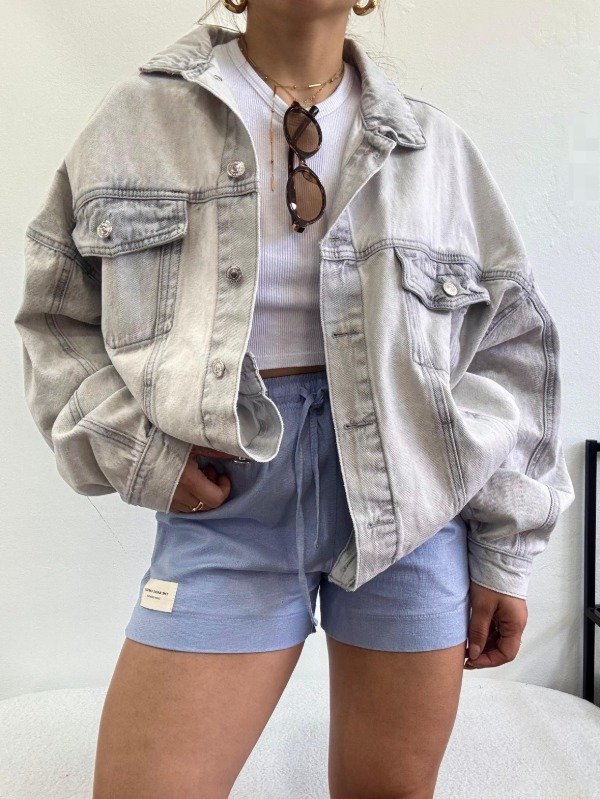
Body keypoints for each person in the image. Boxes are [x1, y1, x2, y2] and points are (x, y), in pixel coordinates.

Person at [14, 1, 575, 796]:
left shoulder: (435, 149)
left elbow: (510, 349)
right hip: (230, 501)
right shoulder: (139, 121)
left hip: (412, 512)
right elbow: (57, 319)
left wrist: (505, 552)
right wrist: (138, 451)